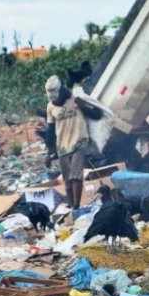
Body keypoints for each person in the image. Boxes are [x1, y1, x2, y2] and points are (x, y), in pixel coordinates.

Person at [44, 75, 102, 209]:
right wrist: (48, 153)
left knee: (75, 175)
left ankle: (76, 205)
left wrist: (83, 107)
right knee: (67, 179)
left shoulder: (75, 99)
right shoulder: (50, 107)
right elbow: (50, 130)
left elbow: (97, 114)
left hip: (79, 141)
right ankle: (72, 206)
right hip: (62, 146)